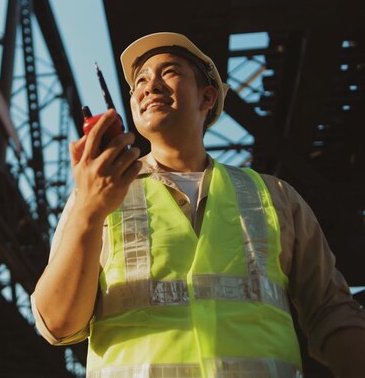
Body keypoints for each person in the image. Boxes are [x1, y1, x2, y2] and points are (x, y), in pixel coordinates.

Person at [31, 32, 365, 378]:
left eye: (169, 72)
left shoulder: (276, 197)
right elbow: (57, 325)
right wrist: (88, 210)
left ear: (208, 96)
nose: (150, 86)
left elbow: (332, 312)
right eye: (140, 81)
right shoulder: (96, 194)